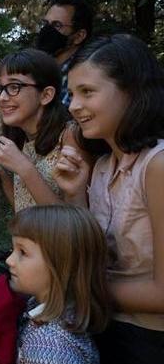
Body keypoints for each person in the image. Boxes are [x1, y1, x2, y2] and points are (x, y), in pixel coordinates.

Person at [54, 34, 164, 363]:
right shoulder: (102, 166)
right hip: (105, 325)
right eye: (72, 94)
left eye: (87, 92)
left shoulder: (156, 167)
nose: (73, 106)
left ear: (132, 91)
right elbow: (93, 251)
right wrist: (75, 193)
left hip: (148, 338)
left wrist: (79, 288)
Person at [0, 205, 110, 364]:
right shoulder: (41, 306)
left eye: (23, 252)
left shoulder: (50, 349)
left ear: (62, 266)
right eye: (12, 249)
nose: (9, 260)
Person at [0, 48, 88, 212]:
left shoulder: (69, 136)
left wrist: (24, 168)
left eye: (14, 86)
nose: (2, 98)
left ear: (46, 95)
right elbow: (24, 210)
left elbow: (71, 222)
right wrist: (2, 175)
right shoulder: (24, 138)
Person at [36, 0, 93, 109]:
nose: (47, 30)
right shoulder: (38, 71)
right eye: (46, 24)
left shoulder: (85, 74)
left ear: (79, 36)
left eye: (57, 25)